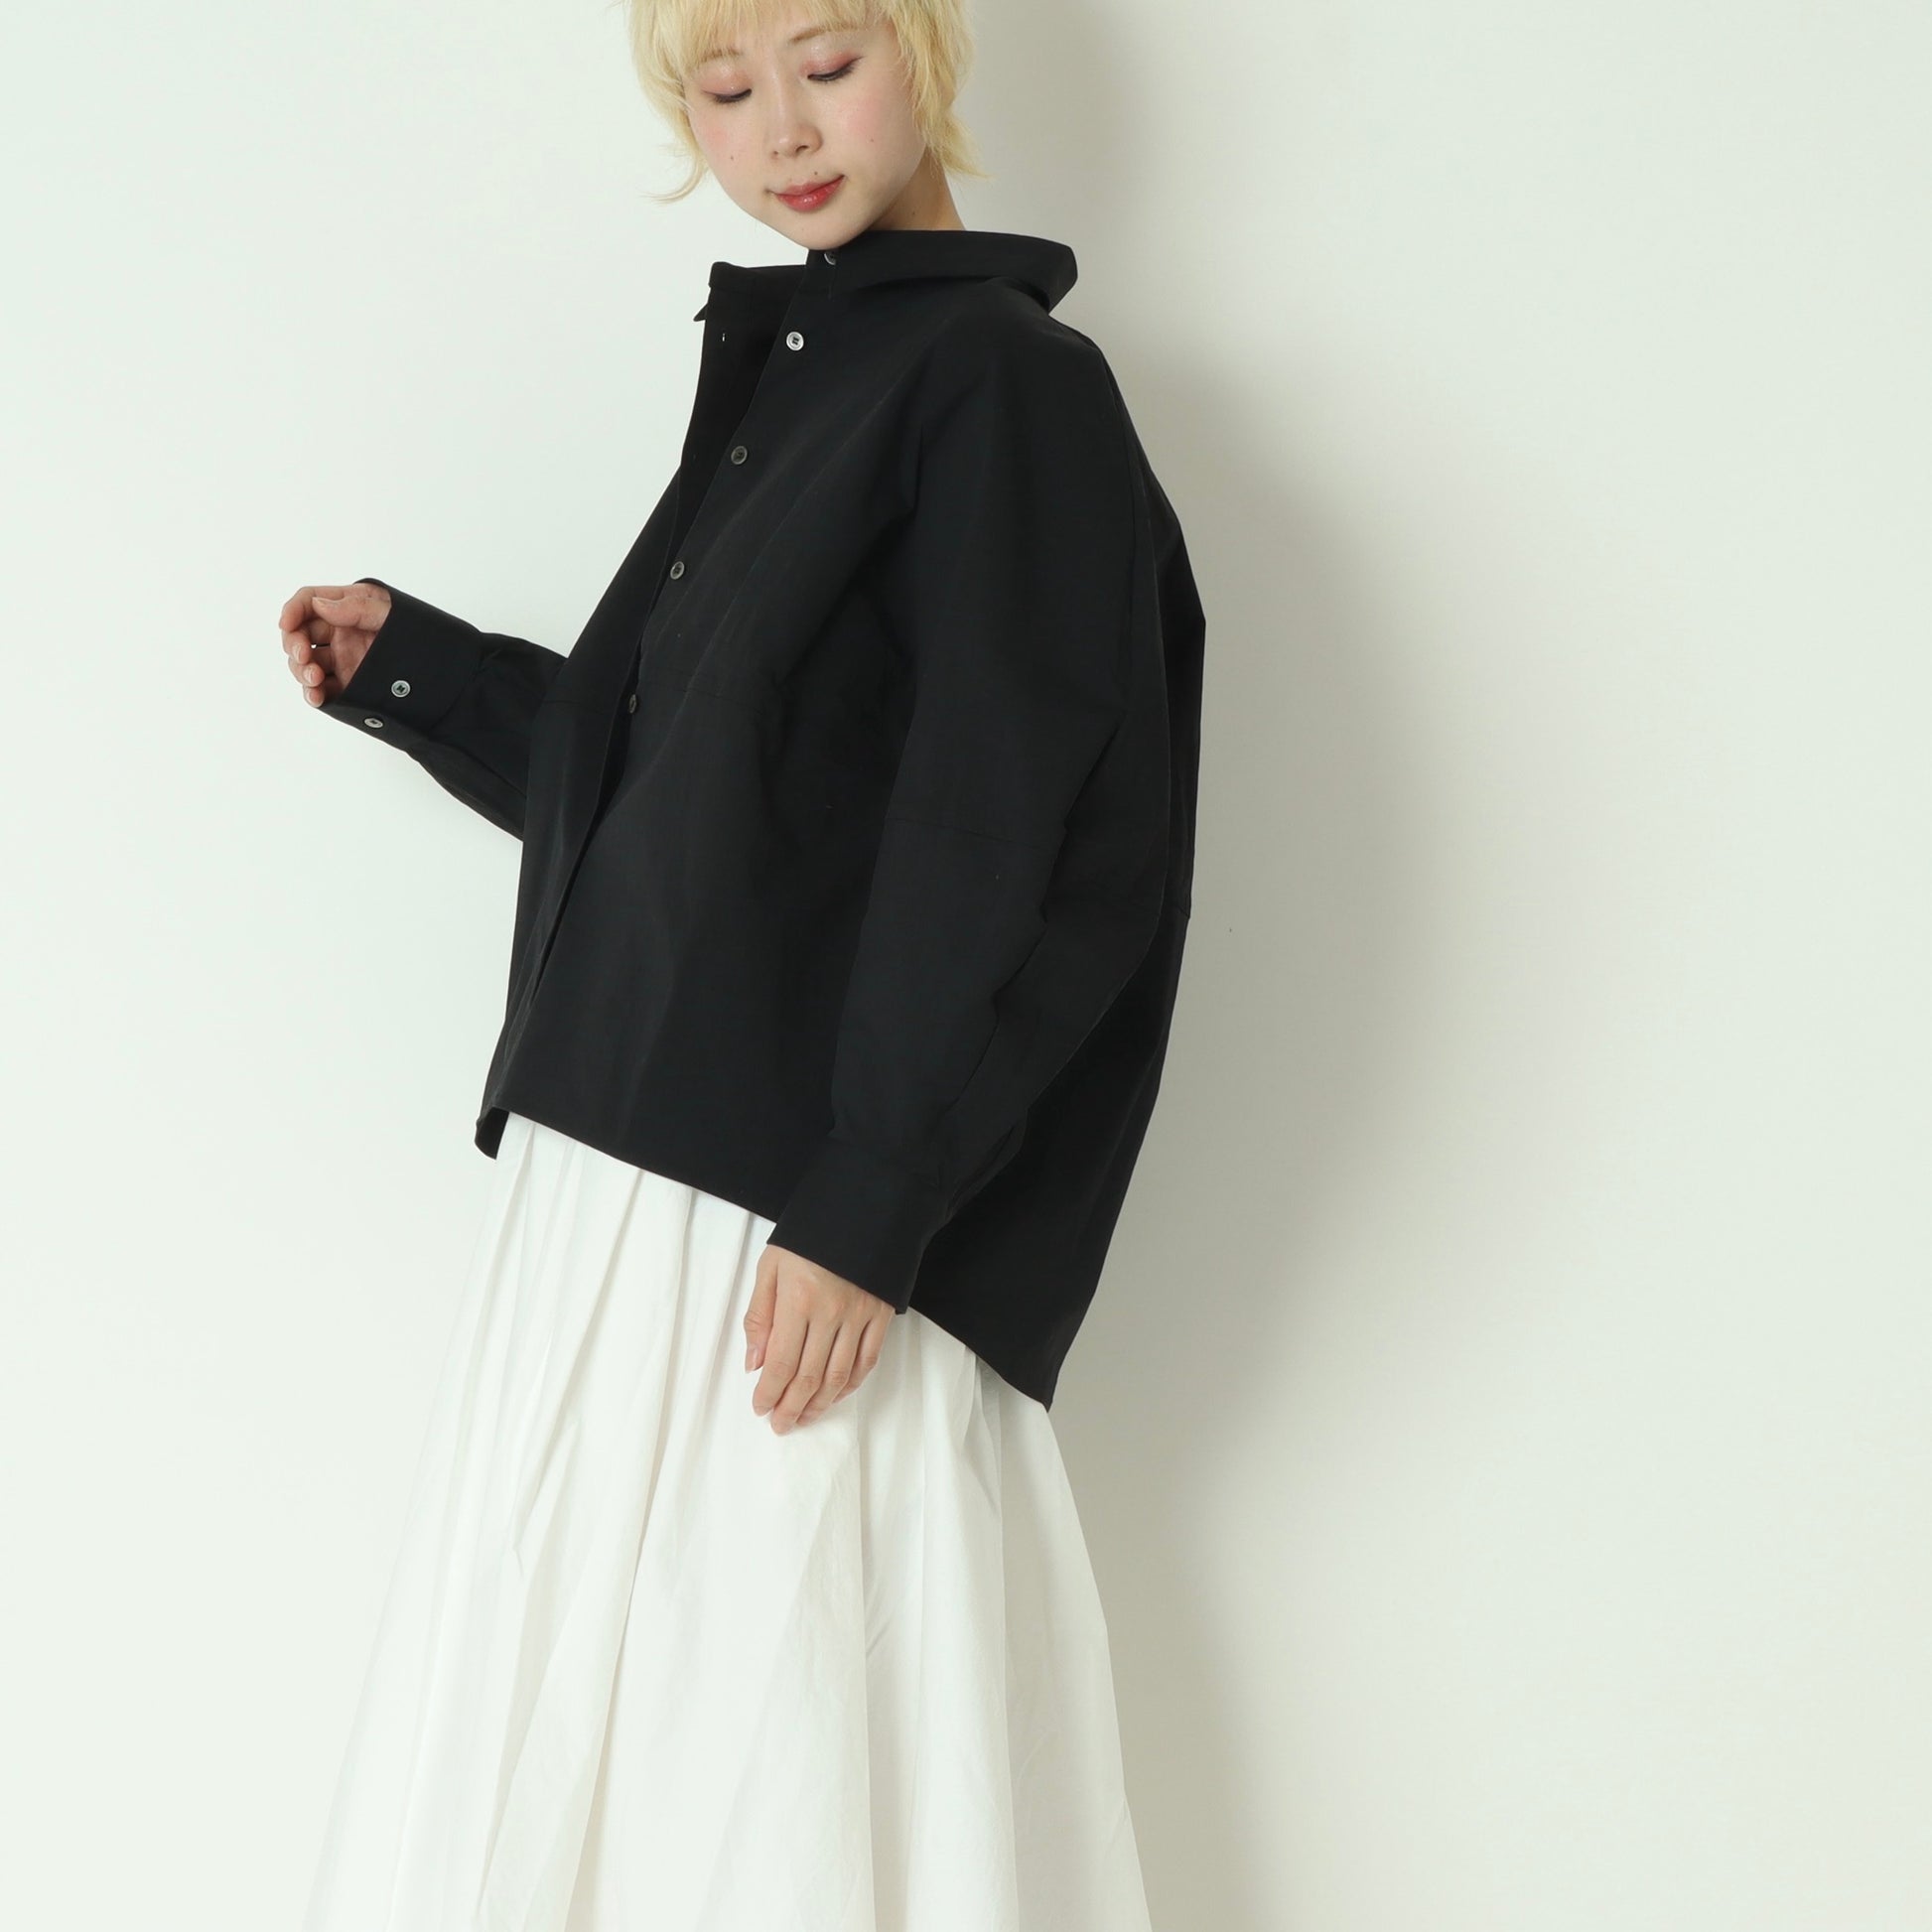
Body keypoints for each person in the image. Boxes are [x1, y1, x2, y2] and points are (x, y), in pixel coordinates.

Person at [284, 0, 1203, 1924]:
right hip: (631, 1186)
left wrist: (870, 1201)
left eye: (826, 62)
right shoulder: (804, 375)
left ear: (928, 54)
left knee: (763, 1747)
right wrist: (422, 677)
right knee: (613, 1749)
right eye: (721, 89)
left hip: (782, 1220)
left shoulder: (1003, 387)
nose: (780, 127)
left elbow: (1018, 836)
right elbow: (703, 803)